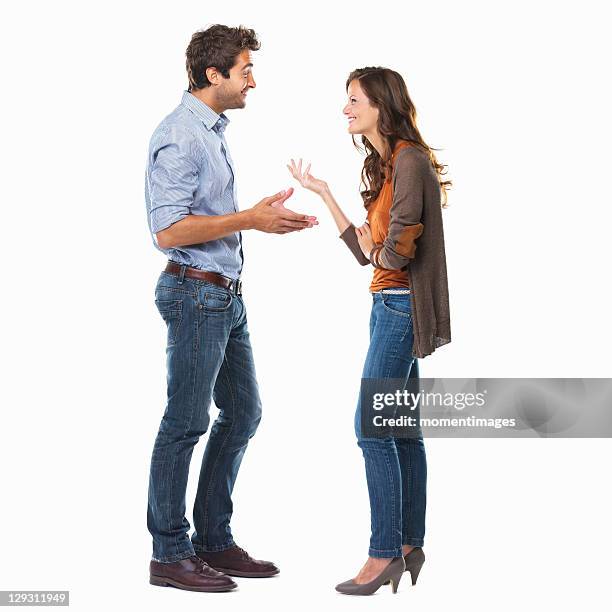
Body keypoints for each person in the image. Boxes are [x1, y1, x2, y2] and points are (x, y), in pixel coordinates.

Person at [144, 24, 317, 593]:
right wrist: (249, 220)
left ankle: (213, 540)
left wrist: (258, 216)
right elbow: (168, 231)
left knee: (242, 413)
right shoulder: (181, 134)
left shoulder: (210, 131)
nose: (252, 81)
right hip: (195, 294)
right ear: (213, 74)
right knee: (186, 422)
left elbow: (204, 216)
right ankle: (170, 552)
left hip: (223, 294)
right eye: (245, 70)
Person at [287, 66, 451, 595]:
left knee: (371, 428)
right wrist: (325, 193)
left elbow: (395, 250)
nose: (346, 108)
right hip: (388, 304)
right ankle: (407, 545)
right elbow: (367, 254)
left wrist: (378, 246)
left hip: (400, 307)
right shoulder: (388, 166)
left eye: (354, 99)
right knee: (401, 428)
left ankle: (384, 554)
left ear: (381, 103)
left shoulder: (409, 161)